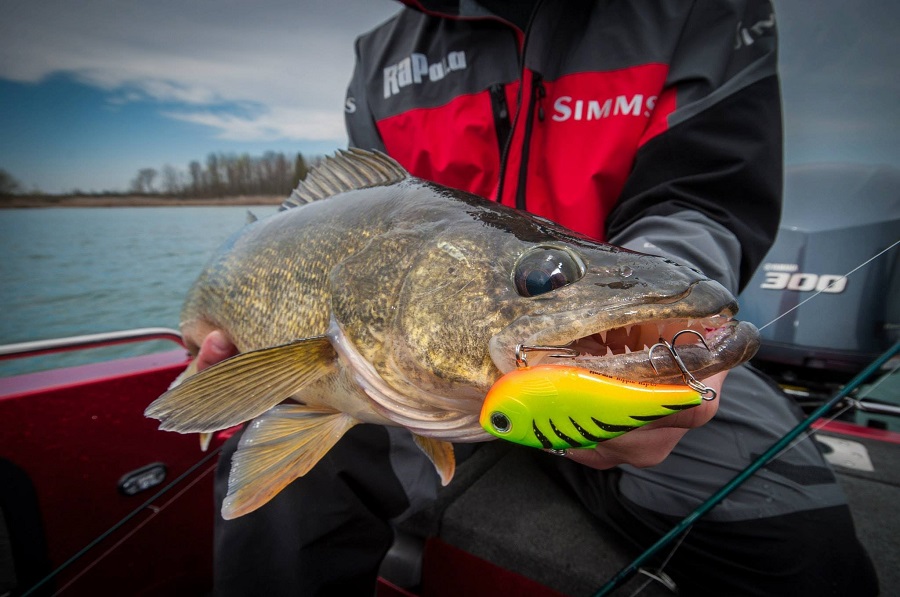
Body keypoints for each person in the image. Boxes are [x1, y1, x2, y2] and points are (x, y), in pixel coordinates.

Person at [205, 1, 879, 595]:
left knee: (802, 548)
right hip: (401, 370)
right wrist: (230, 355)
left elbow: (700, 198)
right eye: (541, 276)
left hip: (616, 350)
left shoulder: (701, 9)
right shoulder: (381, 58)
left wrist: (658, 302)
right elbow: (364, 214)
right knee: (277, 507)